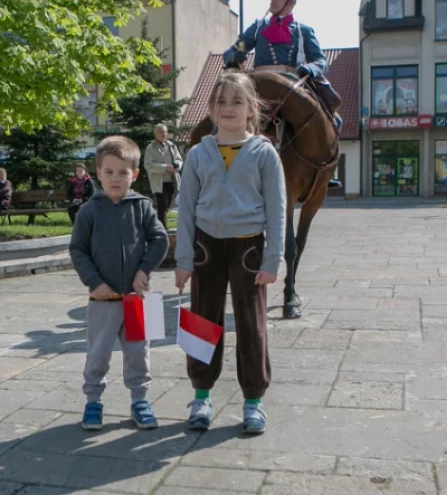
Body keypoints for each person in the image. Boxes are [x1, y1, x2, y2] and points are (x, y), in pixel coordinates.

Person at [174, 73, 285, 435]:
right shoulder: (198, 154)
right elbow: (186, 208)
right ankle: (201, 396)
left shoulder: (264, 153)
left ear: (251, 108)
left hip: (249, 246)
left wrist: (272, 259)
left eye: (237, 102)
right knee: (201, 322)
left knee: (251, 324)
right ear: (211, 108)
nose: (228, 109)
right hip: (207, 245)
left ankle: (253, 401)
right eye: (221, 101)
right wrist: (184, 260)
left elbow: (277, 209)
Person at [69, 135, 169, 431]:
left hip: (138, 299)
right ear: (97, 172)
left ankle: (140, 400)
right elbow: (78, 250)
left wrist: (144, 271)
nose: (115, 179)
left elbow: (160, 239)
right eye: (108, 172)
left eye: (123, 172)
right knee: (97, 353)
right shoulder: (89, 211)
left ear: (134, 174)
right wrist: (93, 282)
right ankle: (93, 402)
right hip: (102, 300)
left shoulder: (143, 207)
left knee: (140, 352)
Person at [223, 0, 341, 189]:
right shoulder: (258, 27)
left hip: (292, 84)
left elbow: (320, 61)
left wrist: (310, 69)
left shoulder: (304, 31)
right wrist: (234, 56)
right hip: (260, 85)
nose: (272, 1)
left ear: (291, 1)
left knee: (335, 119)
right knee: (228, 113)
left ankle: (324, 169)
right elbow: (232, 50)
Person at [144, 124, 183, 230]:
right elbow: (148, 165)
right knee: (163, 204)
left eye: (165, 132)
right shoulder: (150, 148)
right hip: (159, 181)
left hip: (172, 180)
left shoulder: (171, 146)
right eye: (161, 132)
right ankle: (162, 226)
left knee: (169, 203)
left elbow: (179, 160)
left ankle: (160, 224)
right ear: (155, 134)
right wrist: (165, 167)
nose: (163, 134)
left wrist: (177, 165)